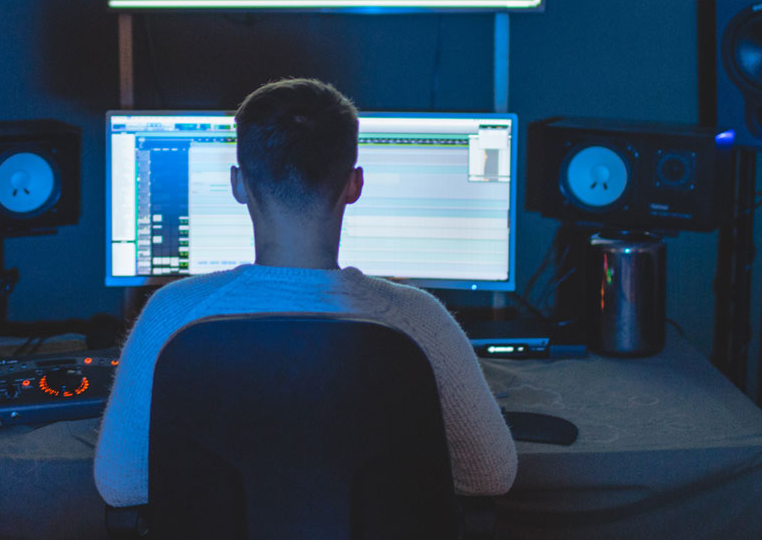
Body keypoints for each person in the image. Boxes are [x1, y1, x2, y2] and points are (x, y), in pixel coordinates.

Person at [93, 78, 518, 508]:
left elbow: (120, 485)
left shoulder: (173, 314)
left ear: (238, 185)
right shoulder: (418, 319)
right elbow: (491, 476)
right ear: (355, 185)